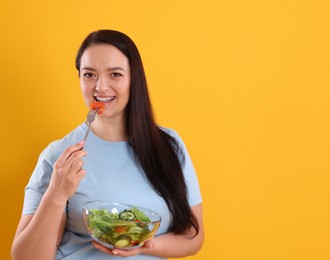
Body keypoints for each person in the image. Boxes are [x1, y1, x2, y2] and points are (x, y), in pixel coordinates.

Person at [11, 29, 204, 260]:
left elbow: (193, 236)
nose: (100, 87)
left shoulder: (170, 147)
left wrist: (144, 246)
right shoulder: (58, 156)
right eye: (89, 75)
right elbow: (25, 257)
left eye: (115, 74)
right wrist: (56, 194)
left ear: (134, 78)